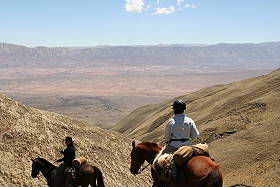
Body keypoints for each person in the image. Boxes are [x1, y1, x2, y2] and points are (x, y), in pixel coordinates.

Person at [153, 99, 199, 182]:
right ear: (183, 109)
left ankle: (161, 181)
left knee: (157, 162)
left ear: (175, 110)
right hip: (187, 148)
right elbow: (195, 136)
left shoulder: (171, 122)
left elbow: (167, 138)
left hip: (173, 147)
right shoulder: (190, 121)